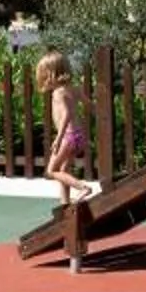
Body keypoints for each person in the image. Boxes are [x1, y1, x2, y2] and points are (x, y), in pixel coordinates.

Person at [36, 52, 92, 203]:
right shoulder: (74, 89)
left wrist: (58, 139)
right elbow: (89, 105)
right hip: (78, 136)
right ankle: (65, 203)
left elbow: (66, 115)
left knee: (51, 171)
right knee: (64, 170)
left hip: (68, 137)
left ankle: (82, 187)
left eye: (44, 75)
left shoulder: (58, 93)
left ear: (51, 74)